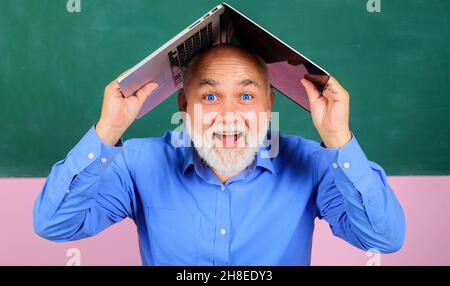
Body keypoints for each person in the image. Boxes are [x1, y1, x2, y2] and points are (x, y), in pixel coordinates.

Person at [33, 44, 405, 265]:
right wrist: (108, 130)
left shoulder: (310, 163)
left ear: (269, 104)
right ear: (184, 103)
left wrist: (338, 138)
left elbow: (383, 237)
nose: (228, 114)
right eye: (210, 96)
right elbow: (54, 225)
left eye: (246, 96)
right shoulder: (137, 164)